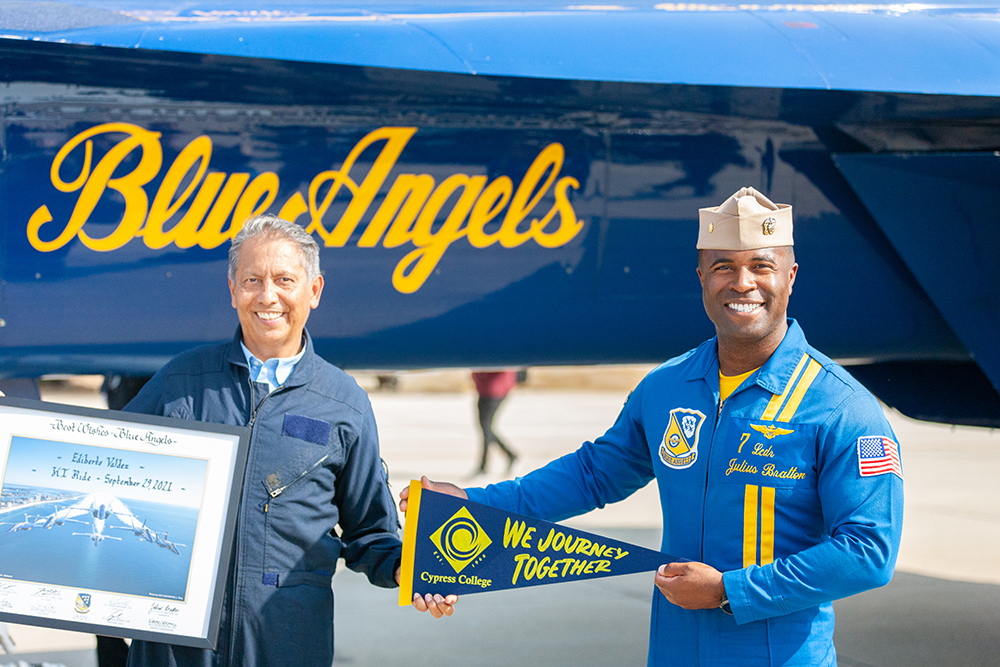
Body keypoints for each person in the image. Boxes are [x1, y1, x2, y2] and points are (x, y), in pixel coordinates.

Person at [402, 187, 904, 665]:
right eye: (723, 267)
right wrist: (475, 503)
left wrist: (730, 592)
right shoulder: (668, 387)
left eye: (761, 266)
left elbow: (869, 551)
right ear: (702, 277)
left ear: (791, 276)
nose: (743, 283)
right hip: (674, 652)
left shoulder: (840, 407)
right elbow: (593, 475)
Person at [124, 214, 449, 667]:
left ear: (313, 291)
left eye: (284, 280)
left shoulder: (344, 405)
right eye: (252, 279)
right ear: (233, 290)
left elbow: (371, 533)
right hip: (173, 649)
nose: (268, 295)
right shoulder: (182, 380)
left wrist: (415, 569)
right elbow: (106, 474)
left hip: (287, 642)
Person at [471, 370, 519, 474]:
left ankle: (485, 466)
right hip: (485, 389)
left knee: (486, 428)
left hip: (495, 390)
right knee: (485, 429)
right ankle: (508, 455)